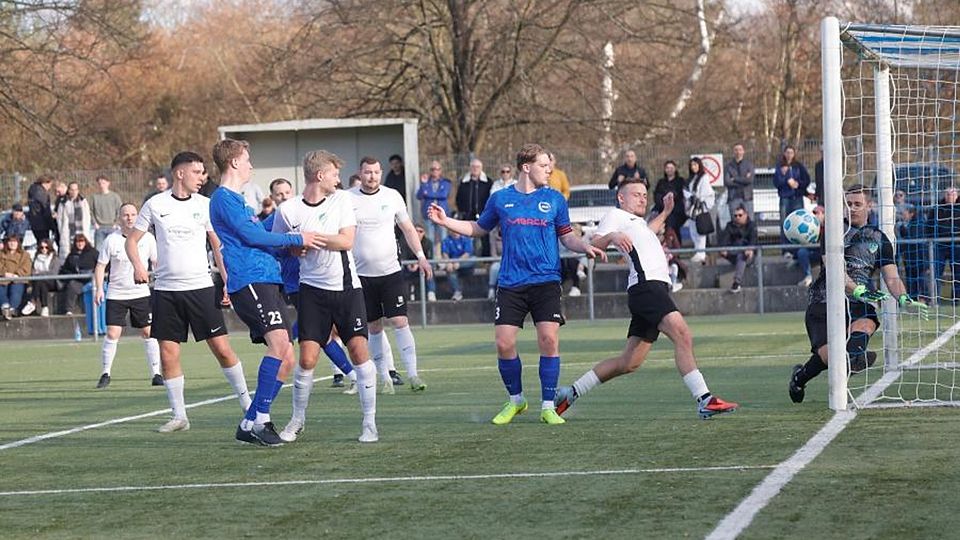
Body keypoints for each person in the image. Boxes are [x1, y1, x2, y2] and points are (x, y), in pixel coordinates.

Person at [427, 143, 606, 425]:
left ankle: (548, 406)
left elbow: (567, 236)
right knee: (504, 343)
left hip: (546, 280)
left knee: (549, 340)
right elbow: (478, 228)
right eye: (543, 166)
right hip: (511, 282)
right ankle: (516, 400)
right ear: (526, 167)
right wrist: (445, 221)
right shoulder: (500, 198)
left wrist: (584, 246)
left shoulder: (555, 199)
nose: (549, 170)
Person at [554, 179, 738, 419]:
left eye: (644, 195)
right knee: (682, 334)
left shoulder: (637, 223)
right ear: (621, 198)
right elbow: (594, 244)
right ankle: (705, 400)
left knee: (629, 362)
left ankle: (570, 393)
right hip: (647, 287)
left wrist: (666, 212)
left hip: (650, 289)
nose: (642, 198)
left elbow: (648, 231)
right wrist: (612, 236)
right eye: (636, 194)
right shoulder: (616, 215)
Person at [126, 151, 252, 434]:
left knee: (222, 350)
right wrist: (138, 265)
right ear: (179, 173)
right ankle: (179, 416)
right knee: (168, 353)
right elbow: (131, 241)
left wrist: (228, 280)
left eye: (203, 172)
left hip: (201, 288)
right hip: (166, 291)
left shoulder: (206, 205)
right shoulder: (155, 204)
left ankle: (248, 405)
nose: (202, 177)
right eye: (196, 172)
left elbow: (217, 245)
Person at [209, 139, 323, 446]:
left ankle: (250, 422)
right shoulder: (222, 198)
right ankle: (260, 420)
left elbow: (261, 233)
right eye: (247, 159)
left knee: (287, 357)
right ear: (234, 162)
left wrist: (290, 220)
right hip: (250, 280)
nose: (251, 165)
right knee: (280, 345)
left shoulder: (239, 200)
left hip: (267, 279)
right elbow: (251, 235)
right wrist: (296, 237)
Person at [272, 149, 380, 443]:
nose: (338, 179)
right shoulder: (288, 210)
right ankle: (297, 420)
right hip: (311, 291)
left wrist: (308, 238)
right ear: (320, 176)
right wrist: (293, 246)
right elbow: (279, 245)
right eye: (334, 173)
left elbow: (346, 241)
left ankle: (369, 423)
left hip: (346, 289)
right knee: (307, 358)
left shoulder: (341, 200)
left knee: (358, 351)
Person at [788, 186, 928, 403]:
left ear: (869, 206)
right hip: (824, 302)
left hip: (857, 302)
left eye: (857, 204)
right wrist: (858, 289)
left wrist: (903, 297)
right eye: (848, 204)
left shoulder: (879, 238)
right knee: (831, 358)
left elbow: (892, 277)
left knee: (867, 322)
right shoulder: (834, 232)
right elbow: (834, 270)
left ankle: (854, 357)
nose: (851, 208)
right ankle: (800, 377)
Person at [260, 177, 360, 393]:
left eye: (287, 192)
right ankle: (352, 375)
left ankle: (352, 375)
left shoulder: (302, 211)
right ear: (272, 197)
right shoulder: (273, 221)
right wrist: (288, 248)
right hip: (297, 285)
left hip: (320, 281)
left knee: (323, 334)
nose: (284, 197)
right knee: (321, 335)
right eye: (279, 194)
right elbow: (265, 244)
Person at [350, 156, 433, 393]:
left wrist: (421, 256)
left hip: (390, 272)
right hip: (361, 275)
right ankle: (385, 377)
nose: (372, 176)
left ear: (381, 172)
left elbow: (408, 228)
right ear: (361, 173)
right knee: (374, 327)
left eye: (376, 172)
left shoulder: (392, 196)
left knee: (399, 320)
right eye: (368, 172)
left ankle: (413, 374)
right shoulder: (347, 198)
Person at [92, 203, 162, 389]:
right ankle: (106, 373)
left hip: (141, 293)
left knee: (148, 332)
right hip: (116, 294)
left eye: (133, 214)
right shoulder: (111, 240)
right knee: (112, 333)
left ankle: (156, 373)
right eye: (125, 215)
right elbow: (100, 266)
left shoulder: (148, 238)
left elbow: (157, 263)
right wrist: (99, 289)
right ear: (119, 218)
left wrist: (162, 282)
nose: (129, 218)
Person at [773, 145, 811, 257]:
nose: (789, 155)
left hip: (797, 199)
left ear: (794, 154)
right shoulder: (780, 167)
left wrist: (798, 184)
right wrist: (786, 178)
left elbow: (806, 180)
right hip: (785, 199)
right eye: (787, 152)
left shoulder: (798, 166)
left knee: (798, 223)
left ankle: (798, 249)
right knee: (785, 224)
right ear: (784, 154)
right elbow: (776, 182)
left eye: (791, 152)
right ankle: (786, 250)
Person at [455, 158, 492, 256]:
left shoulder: (488, 182)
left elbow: (491, 197)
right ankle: (469, 258)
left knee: (485, 238)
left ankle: (485, 260)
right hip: (468, 214)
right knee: (467, 237)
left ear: (481, 168)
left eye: (477, 167)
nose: (475, 169)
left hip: (484, 213)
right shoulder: (464, 182)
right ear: (470, 168)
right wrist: (462, 210)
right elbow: (458, 198)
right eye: (473, 167)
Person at [718, 205, 757, 293]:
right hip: (733, 253)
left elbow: (753, 239)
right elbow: (724, 239)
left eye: (740, 215)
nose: (737, 218)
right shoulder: (730, 225)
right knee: (737, 254)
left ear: (745, 215)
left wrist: (750, 249)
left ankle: (736, 282)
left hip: (747, 255)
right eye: (735, 216)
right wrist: (723, 248)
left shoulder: (751, 225)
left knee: (741, 256)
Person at [417, 160, 453, 257]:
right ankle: (432, 260)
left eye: (437, 169)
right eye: (432, 169)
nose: (435, 171)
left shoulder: (446, 182)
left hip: (441, 214)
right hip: (429, 214)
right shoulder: (426, 182)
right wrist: (423, 184)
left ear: (440, 170)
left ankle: (444, 259)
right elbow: (419, 196)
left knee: (443, 238)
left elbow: (443, 195)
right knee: (430, 239)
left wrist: (427, 194)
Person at [931, 186, 960, 301]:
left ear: (957, 195)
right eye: (948, 194)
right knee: (936, 272)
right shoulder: (937, 208)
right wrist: (932, 238)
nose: (950, 196)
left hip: (957, 245)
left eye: (952, 194)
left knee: (958, 273)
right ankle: (934, 299)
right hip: (940, 245)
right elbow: (929, 224)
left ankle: (957, 299)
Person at [684, 157, 715, 264]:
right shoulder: (691, 179)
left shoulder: (704, 178)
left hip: (700, 208)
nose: (693, 167)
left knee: (700, 230)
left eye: (695, 165)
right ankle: (697, 250)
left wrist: (698, 199)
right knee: (693, 230)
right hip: (692, 208)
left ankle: (701, 252)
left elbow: (706, 193)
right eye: (692, 165)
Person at [58, 233, 97, 315]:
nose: (80, 243)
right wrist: (74, 274)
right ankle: (69, 310)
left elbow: (101, 265)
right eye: (78, 242)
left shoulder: (93, 253)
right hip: (78, 281)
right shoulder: (71, 255)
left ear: (85, 242)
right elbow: (65, 269)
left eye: (82, 241)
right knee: (72, 286)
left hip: (92, 280)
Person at [21, 238, 59, 317]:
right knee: (41, 283)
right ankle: (45, 307)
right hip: (39, 282)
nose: (44, 249)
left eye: (46, 247)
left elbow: (53, 273)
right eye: (42, 247)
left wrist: (39, 274)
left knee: (40, 280)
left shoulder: (54, 258)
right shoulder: (36, 258)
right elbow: (32, 272)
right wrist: (39, 274)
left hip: (52, 281)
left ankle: (32, 302)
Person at [898, 203, 928, 301]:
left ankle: (926, 299)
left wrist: (903, 228)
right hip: (909, 257)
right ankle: (913, 298)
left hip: (919, 257)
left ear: (911, 213)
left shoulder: (918, 223)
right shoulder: (907, 223)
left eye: (904, 213)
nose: (902, 215)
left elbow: (912, 237)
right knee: (910, 279)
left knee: (921, 279)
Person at [400, 223, 437, 302]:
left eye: (421, 231)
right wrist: (409, 265)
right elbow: (403, 256)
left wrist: (418, 265)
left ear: (424, 233)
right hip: (409, 268)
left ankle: (431, 292)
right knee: (400, 274)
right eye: (416, 231)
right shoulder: (406, 241)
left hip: (422, 267)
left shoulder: (428, 243)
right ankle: (402, 296)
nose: (418, 233)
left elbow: (430, 258)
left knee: (430, 271)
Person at [56, 182, 92, 261]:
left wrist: (86, 229)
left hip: (82, 232)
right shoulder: (63, 203)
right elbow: (59, 220)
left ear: (78, 190)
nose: (74, 192)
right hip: (68, 234)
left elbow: (87, 217)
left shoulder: (83, 201)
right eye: (72, 190)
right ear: (68, 190)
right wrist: (62, 232)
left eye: (75, 190)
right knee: (68, 256)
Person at [652, 160, 687, 241]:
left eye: (671, 168)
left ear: (675, 169)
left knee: (674, 229)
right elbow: (657, 195)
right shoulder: (661, 182)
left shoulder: (680, 181)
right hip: (663, 210)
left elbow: (681, 195)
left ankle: (676, 246)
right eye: (667, 168)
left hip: (677, 211)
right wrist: (662, 203)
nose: (669, 170)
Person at [0, 235, 31, 320]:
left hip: (18, 278)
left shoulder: (25, 254)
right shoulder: (1, 254)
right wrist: (4, 273)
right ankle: (5, 307)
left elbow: (26, 268)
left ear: (18, 243)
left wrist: (16, 274)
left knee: (16, 290)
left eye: (14, 241)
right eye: (10, 241)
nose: (12, 244)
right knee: (1, 289)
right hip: (3, 278)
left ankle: (12, 309)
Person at [441, 229, 475, 301]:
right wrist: (448, 262)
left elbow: (467, 253)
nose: (455, 232)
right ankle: (457, 291)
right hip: (452, 263)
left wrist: (458, 262)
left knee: (474, 259)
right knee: (449, 269)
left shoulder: (466, 238)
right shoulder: (446, 240)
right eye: (452, 230)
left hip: (465, 262)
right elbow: (445, 254)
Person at [90, 175, 123, 248]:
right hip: (99, 227)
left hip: (112, 227)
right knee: (98, 249)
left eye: (103, 183)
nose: (101, 185)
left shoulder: (115, 196)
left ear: (108, 183)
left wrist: (116, 223)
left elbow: (120, 210)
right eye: (99, 183)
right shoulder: (94, 197)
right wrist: (95, 223)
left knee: (113, 248)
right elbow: (91, 211)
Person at [724, 143, 754, 218]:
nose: (738, 152)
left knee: (750, 220)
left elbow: (749, 180)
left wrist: (735, 179)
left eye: (740, 150)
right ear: (733, 152)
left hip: (747, 198)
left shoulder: (749, 165)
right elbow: (727, 182)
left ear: (743, 151)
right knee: (735, 221)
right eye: (736, 150)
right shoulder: (728, 166)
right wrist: (743, 181)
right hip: (733, 198)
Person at [27, 175, 55, 242]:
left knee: (40, 242)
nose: (50, 187)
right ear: (45, 183)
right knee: (45, 242)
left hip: (35, 224)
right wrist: (52, 225)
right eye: (50, 185)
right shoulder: (41, 193)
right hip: (42, 224)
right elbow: (45, 210)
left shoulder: (33, 190)